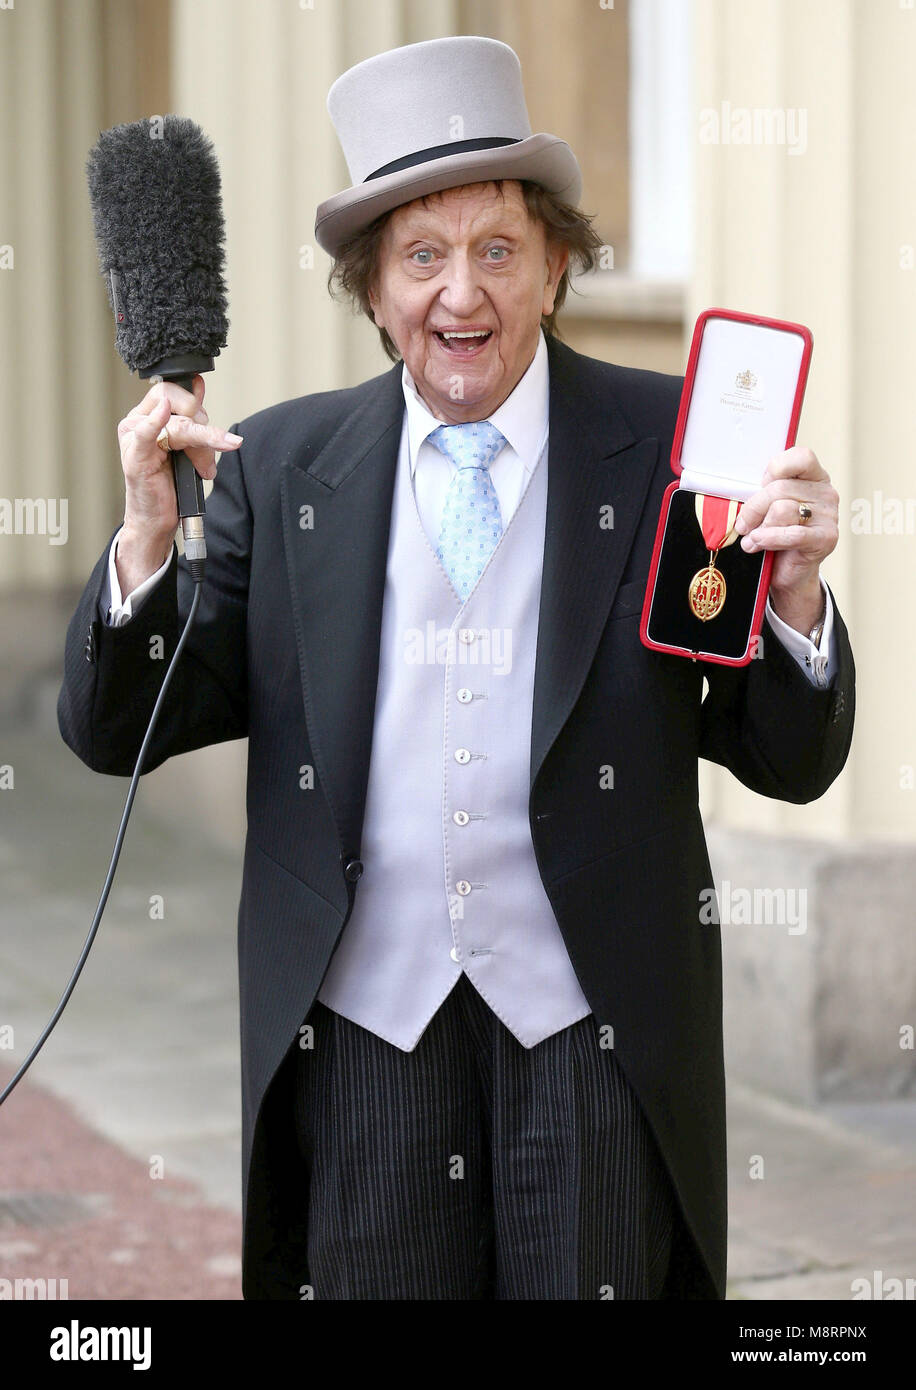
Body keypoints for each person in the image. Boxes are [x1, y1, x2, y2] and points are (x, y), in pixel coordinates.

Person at [58, 36, 854, 1300]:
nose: (460, 294)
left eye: (496, 249)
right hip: (368, 1035)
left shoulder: (672, 444)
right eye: (421, 256)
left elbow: (788, 759)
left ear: (553, 267)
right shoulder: (276, 466)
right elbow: (122, 728)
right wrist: (149, 539)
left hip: (591, 1040)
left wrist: (799, 599)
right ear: (372, 291)